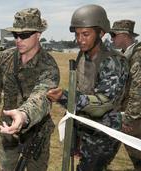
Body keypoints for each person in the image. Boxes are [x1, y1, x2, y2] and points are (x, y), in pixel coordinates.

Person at [47, 4, 129, 171]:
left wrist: (64, 97)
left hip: (103, 131)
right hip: (84, 125)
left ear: (101, 33)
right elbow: (81, 89)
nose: (80, 40)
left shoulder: (113, 61)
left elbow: (103, 104)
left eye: (85, 34)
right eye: (77, 34)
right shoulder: (83, 55)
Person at [0, 8, 60, 171]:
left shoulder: (49, 66)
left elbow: (42, 96)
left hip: (37, 132)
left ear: (38, 34)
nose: (18, 40)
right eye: (15, 35)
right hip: (8, 130)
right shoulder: (4, 58)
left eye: (24, 35)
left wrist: (24, 114)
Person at [110, 20, 141, 170]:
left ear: (124, 35)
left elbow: (138, 92)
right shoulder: (127, 55)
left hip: (135, 118)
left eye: (113, 34)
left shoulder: (137, 56)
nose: (111, 38)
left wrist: (128, 119)